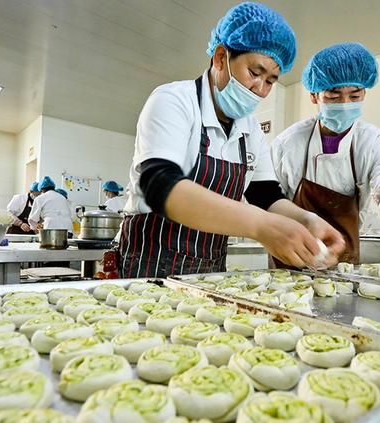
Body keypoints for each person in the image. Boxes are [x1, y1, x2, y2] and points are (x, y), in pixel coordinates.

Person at [120, 2, 345, 279]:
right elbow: (159, 184)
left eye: (271, 81)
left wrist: (307, 221)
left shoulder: (250, 129)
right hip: (151, 264)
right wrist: (261, 226)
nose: (260, 90)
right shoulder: (174, 100)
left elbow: (266, 197)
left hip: (209, 271)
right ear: (220, 58)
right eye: (254, 73)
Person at [271, 42, 380, 294]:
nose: (345, 103)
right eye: (333, 95)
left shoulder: (373, 142)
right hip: (290, 260)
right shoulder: (287, 144)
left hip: (343, 263)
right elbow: (270, 201)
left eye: (354, 95)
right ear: (314, 96)